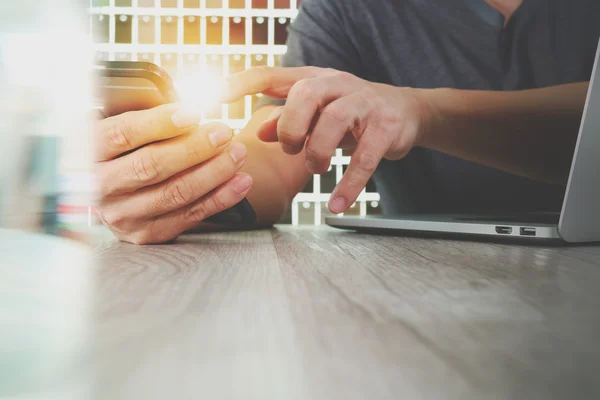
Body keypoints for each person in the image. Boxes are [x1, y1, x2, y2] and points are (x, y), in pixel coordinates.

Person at [95, 0, 600, 244]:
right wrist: (183, 183)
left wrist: (421, 111)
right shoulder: (346, 8)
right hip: (423, 292)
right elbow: (274, 151)